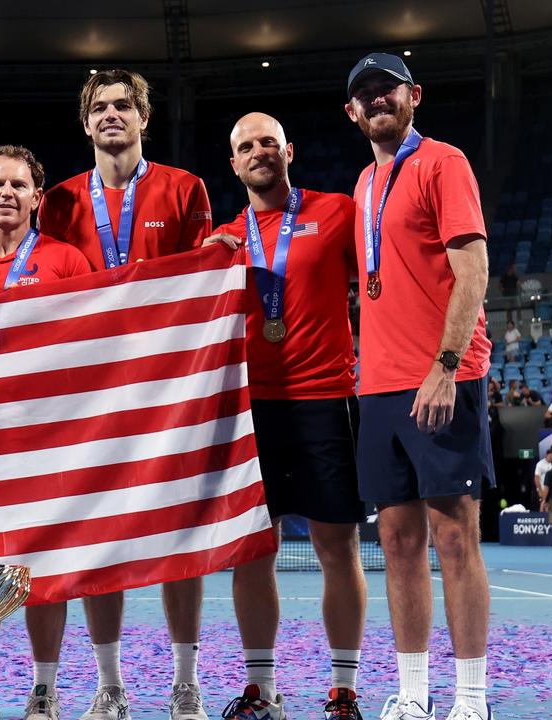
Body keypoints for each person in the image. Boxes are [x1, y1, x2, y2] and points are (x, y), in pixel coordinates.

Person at [36, 68, 213, 720]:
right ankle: (110, 686)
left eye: (124, 106)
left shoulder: (186, 189)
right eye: (101, 108)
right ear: (85, 123)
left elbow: (203, 287)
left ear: (144, 118)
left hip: (167, 393)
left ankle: (185, 684)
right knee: (97, 543)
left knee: (179, 541)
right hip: (86, 397)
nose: (112, 115)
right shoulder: (55, 203)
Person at [199, 113, 366, 720]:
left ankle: (344, 689)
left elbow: (381, 278)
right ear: (234, 163)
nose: (259, 152)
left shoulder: (339, 211)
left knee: (338, 547)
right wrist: (204, 263)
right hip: (253, 408)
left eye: (269, 141)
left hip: (326, 399)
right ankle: (261, 688)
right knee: (252, 551)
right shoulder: (222, 240)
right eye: (246, 146)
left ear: (289, 150)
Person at [344, 53, 493, 720]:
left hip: (441, 375)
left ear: (414, 97)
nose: (377, 100)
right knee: (398, 544)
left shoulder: (443, 162)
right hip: (378, 385)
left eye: (388, 89)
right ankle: (411, 694)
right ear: (352, 112)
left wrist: (447, 366)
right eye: (365, 94)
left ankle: (471, 699)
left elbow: (474, 269)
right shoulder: (361, 185)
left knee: (455, 537)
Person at [0, 145, 94, 720]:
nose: (7, 193)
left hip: (44, 438)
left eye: (18, 185)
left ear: (36, 198)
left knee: (43, 572)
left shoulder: (67, 261)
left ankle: (44, 690)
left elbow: (91, 342)